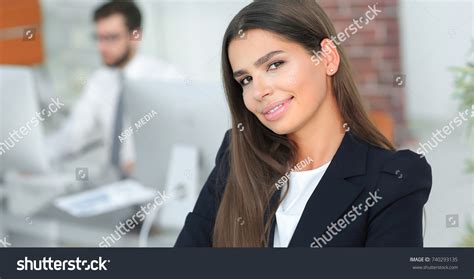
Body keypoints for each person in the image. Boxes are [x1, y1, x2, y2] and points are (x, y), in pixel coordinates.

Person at [175, 0, 432, 247]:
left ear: (328, 58)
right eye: (245, 80)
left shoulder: (394, 178)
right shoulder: (237, 155)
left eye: (275, 64)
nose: (258, 91)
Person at [47, 0, 182, 178]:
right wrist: (38, 158)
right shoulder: (100, 80)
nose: (101, 47)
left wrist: (144, 163)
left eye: (111, 38)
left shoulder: (165, 76)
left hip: (153, 180)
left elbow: (181, 139)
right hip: (110, 180)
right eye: (98, 38)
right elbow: (73, 134)